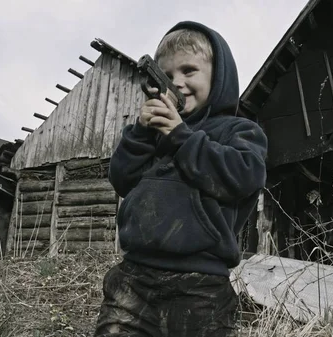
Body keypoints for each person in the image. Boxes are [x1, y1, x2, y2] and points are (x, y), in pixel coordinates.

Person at [94, 20, 268, 337]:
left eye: (189, 71)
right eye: (168, 75)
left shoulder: (237, 131)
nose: (178, 84)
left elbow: (245, 177)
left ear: (218, 78)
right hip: (135, 276)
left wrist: (181, 138)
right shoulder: (148, 135)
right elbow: (122, 179)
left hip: (201, 282)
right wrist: (140, 134)